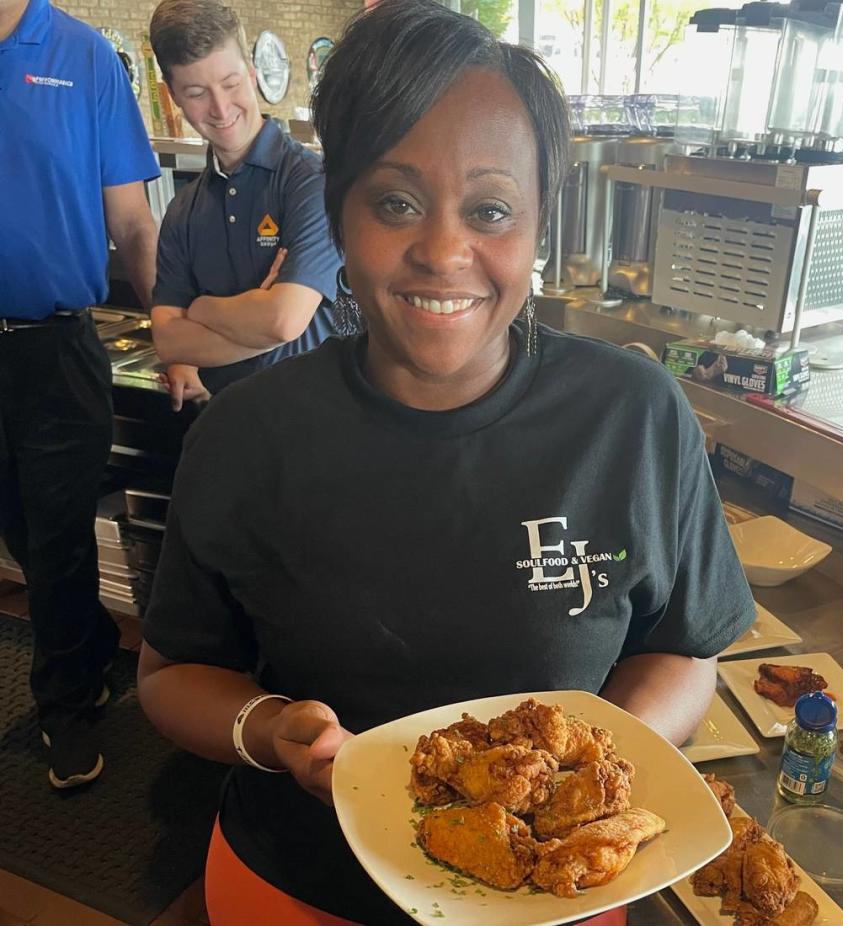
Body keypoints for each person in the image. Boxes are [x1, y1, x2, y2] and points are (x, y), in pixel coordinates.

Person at [138, 1, 755, 922]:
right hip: (301, 883)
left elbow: (682, 650)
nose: (442, 251)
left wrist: (573, 778)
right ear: (338, 213)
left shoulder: (630, 415)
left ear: (541, 221)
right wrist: (271, 732)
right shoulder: (246, 433)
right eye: (395, 202)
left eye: (491, 209)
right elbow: (168, 675)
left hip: (556, 894)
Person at [0, 0, 159, 788]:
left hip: (56, 345)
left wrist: (172, 334)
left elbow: (132, 220)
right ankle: (90, 648)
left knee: (59, 535)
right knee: (22, 533)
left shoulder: (83, 54)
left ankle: (65, 706)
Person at [148, 0, 341, 410]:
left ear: (252, 73)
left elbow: (284, 320)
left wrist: (200, 309)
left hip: (317, 426)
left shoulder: (312, 181)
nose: (220, 108)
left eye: (231, 83)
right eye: (197, 93)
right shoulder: (183, 210)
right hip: (227, 432)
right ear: (175, 97)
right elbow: (167, 339)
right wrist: (255, 311)